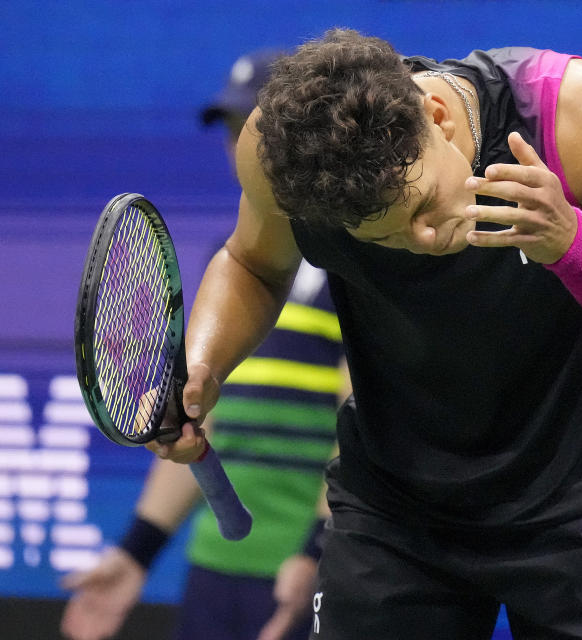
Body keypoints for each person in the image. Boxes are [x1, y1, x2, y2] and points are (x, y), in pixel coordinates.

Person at [149, 29, 582, 640]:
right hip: (398, 510)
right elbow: (253, 264)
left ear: (437, 117)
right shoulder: (285, 156)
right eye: (389, 237)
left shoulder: (574, 117)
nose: (426, 241)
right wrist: (202, 367)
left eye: (425, 205)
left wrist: (575, 245)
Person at [60, 49, 347, 640]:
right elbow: (199, 424)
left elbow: (364, 422)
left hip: (305, 573)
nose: (239, 146)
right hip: (216, 571)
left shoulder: (357, 260)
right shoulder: (235, 263)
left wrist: (319, 553)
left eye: (254, 128)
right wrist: (137, 554)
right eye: (231, 130)